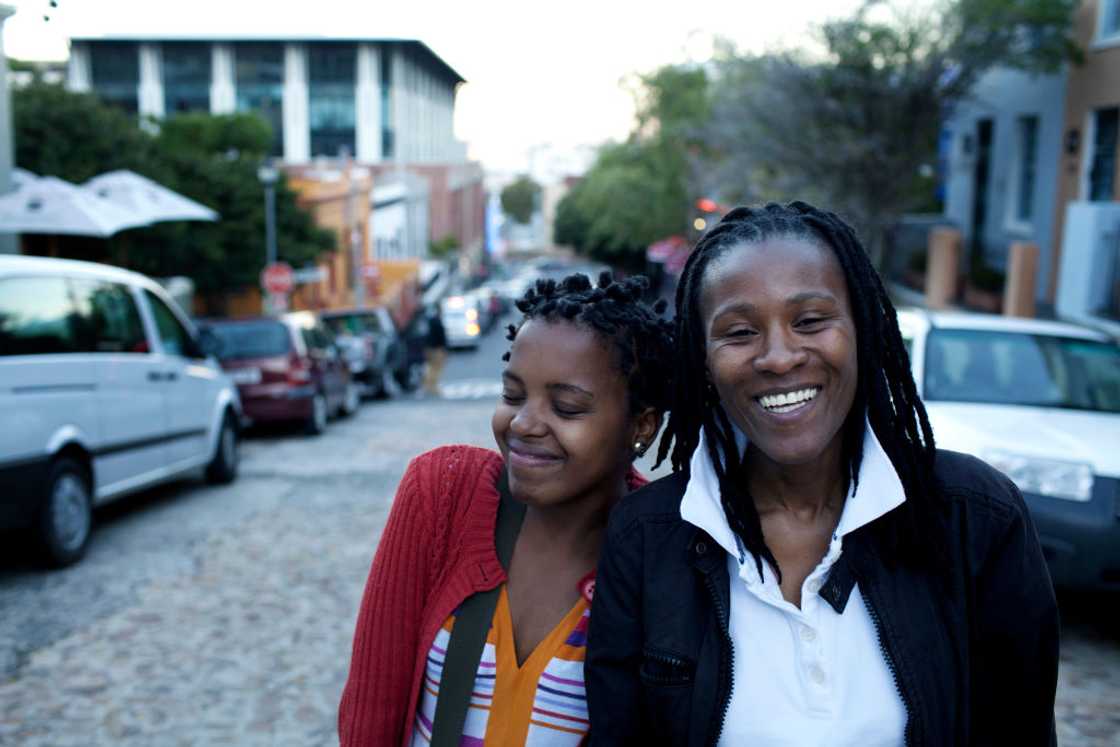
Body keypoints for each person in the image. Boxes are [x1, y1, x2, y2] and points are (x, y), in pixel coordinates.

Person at [585, 202, 1060, 746]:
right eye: (739, 332)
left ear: (864, 330)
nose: (780, 357)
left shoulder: (977, 517)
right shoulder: (647, 537)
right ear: (704, 363)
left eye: (810, 321)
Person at [339, 272, 675, 746]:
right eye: (513, 395)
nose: (523, 423)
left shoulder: (665, 549)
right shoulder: (443, 493)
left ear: (640, 425)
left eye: (566, 407)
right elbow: (372, 713)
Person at [421, 304, 448, 396]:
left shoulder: (430, 321)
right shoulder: (437, 321)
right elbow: (441, 337)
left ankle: (428, 386)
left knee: (430, 367)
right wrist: (444, 349)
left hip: (429, 347)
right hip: (436, 348)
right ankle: (432, 387)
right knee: (436, 368)